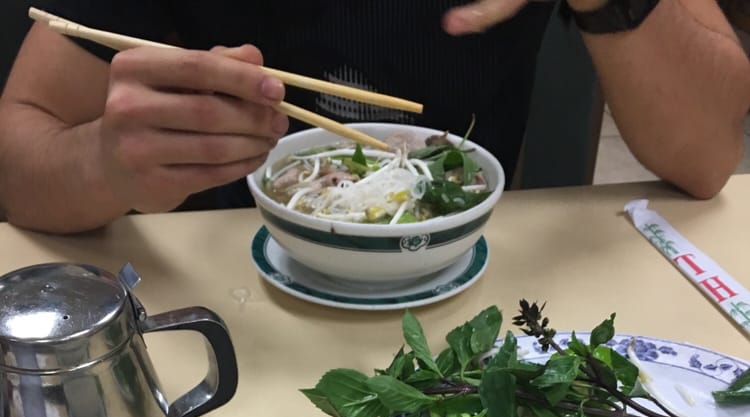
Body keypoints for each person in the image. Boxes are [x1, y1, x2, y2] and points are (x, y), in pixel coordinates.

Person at [0, 0, 748, 234]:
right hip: (211, 298)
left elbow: (708, 155)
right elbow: (18, 152)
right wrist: (104, 162)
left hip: (459, 287)